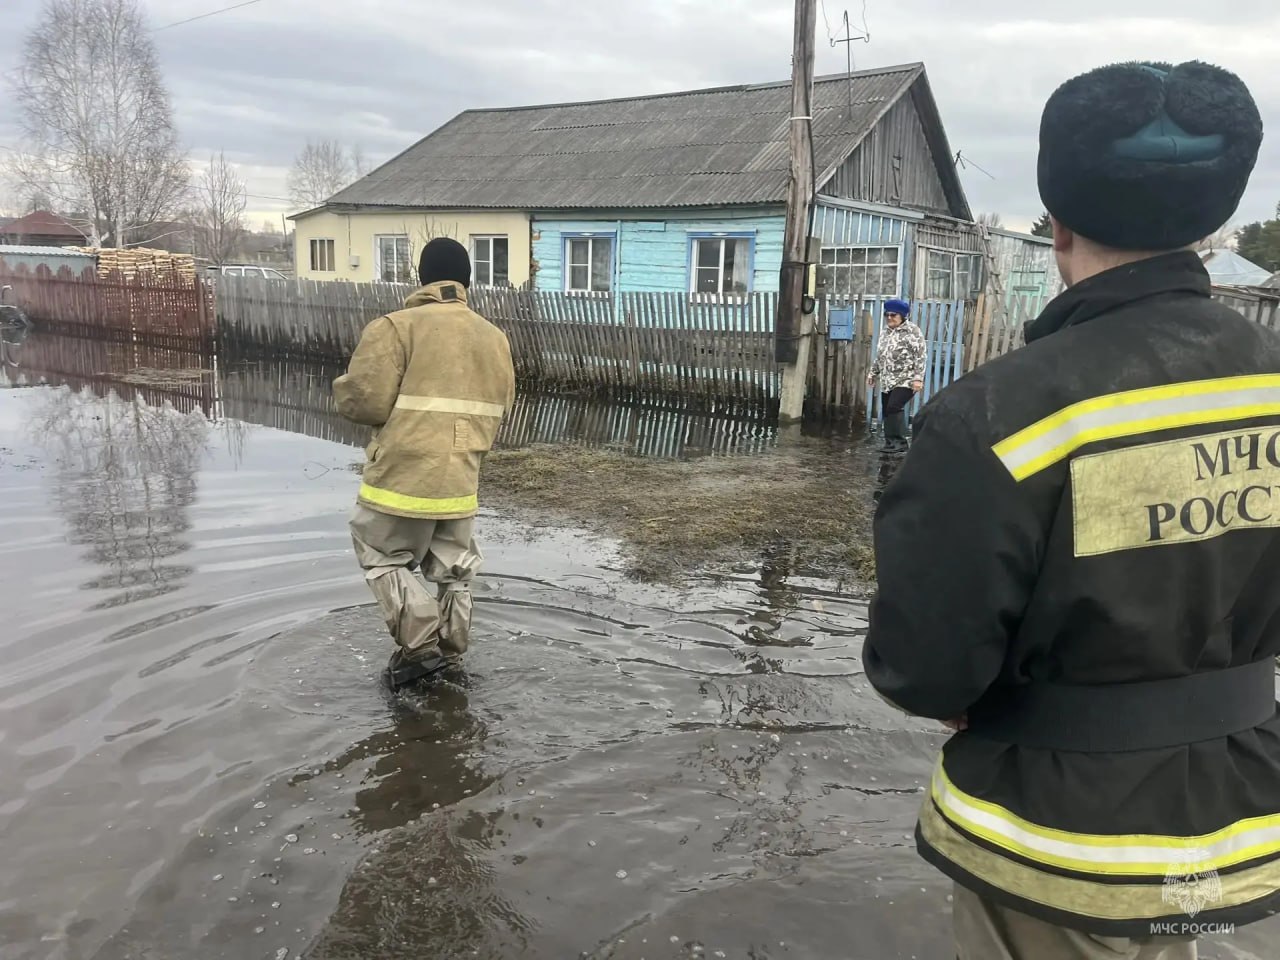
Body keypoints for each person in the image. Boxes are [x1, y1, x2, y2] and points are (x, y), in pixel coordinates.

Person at [863, 60, 1279, 959]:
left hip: (1054, 839)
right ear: (1210, 221)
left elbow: (926, 664)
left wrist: (957, 692)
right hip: (1228, 813)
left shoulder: (997, 417)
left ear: (1058, 224)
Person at [333, 237, 516, 690]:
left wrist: (343, 390)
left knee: (381, 555)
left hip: (401, 476)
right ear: (467, 281)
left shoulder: (395, 328)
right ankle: (451, 653)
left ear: (422, 278)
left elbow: (365, 403)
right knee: (455, 569)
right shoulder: (495, 338)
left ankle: (420, 648)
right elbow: (502, 405)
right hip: (461, 478)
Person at [866, 298, 925, 450]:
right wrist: (873, 373)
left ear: (902, 316)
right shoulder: (885, 333)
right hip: (888, 380)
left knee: (894, 406)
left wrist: (918, 378)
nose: (889, 318)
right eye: (887, 315)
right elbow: (880, 356)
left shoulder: (912, 331)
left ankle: (900, 443)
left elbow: (920, 356)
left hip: (906, 379)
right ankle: (890, 443)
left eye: (893, 315)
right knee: (887, 409)